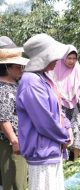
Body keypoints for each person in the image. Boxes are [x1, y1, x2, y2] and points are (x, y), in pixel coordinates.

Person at [16, 33, 73, 190]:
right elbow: (44, 122)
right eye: (53, 56)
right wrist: (65, 136)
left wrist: (67, 126)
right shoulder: (31, 81)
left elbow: (56, 108)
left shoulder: (43, 77)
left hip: (50, 148)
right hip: (42, 151)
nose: (57, 60)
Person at [47, 45, 80, 160]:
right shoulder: (54, 71)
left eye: (74, 58)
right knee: (62, 130)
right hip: (60, 106)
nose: (72, 61)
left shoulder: (79, 71)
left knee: (77, 130)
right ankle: (63, 159)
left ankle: (77, 160)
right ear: (63, 58)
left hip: (76, 106)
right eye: (69, 58)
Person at [0, 36, 29, 190]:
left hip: (18, 141)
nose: (21, 69)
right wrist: (14, 140)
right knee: (14, 182)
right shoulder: (3, 89)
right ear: (7, 67)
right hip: (10, 144)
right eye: (18, 66)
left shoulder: (14, 84)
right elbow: (3, 117)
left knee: (20, 180)